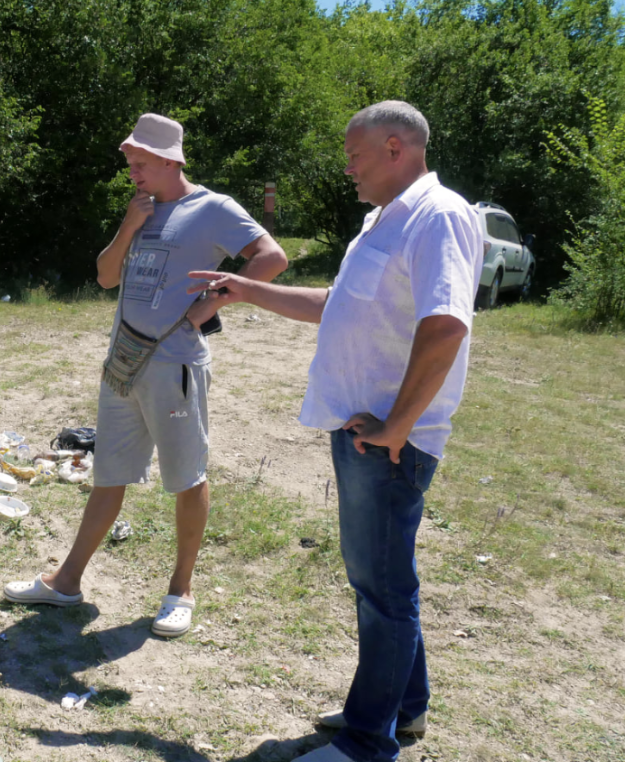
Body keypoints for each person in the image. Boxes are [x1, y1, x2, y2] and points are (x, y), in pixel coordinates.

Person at [189, 101, 484, 761]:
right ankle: (402, 712)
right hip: (365, 432)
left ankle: (365, 742)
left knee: (382, 588)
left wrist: (398, 426)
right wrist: (245, 288)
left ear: (393, 147)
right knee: (382, 578)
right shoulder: (380, 223)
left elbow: (446, 325)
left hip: (389, 441)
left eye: (353, 156)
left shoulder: (440, 216)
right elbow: (334, 305)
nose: (347, 169)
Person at [2, 113, 287, 638]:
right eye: (130, 162)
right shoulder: (141, 210)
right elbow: (105, 276)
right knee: (109, 472)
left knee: (186, 476)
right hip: (123, 362)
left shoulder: (213, 208)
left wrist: (212, 303)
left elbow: (272, 257)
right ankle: (66, 582)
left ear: (171, 160)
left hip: (175, 365)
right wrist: (130, 225)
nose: (132, 171)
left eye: (140, 163)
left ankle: (181, 590)